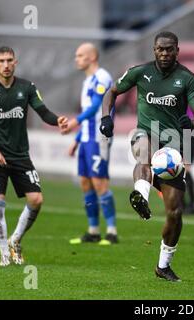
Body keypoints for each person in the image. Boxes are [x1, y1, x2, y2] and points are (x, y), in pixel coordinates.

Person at [99, 31, 194, 281]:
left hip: (173, 149)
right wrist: (106, 116)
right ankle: (141, 195)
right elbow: (112, 92)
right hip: (145, 133)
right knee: (144, 153)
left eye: (169, 49)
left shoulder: (188, 79)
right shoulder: (139, 72)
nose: (165, 53)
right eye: (160, 49)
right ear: (154, 50)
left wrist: (190, 122)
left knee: (175, 213)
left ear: (177, 50)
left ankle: (163, 266)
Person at [0, 46, 67, 266]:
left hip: (20, 156)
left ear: (16, 62)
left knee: (36, 200)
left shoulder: (27, 87)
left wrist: (57, 121)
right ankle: (4, 253)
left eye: (9, 60)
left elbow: (43, 111)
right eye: (1, 61)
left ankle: (15, 240)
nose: (6, 65)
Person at [62, 43, 118, 245]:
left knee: (99, 182)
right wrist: (76, 140)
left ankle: (111, 231)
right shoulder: (87, 81)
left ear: (92, 57)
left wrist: (74, 122)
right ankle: (93, 230)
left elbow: (96, 106)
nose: (76, 58)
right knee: (85, 183)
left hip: (98, 138)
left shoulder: (102, 77)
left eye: (80, 55)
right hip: (86, 138)